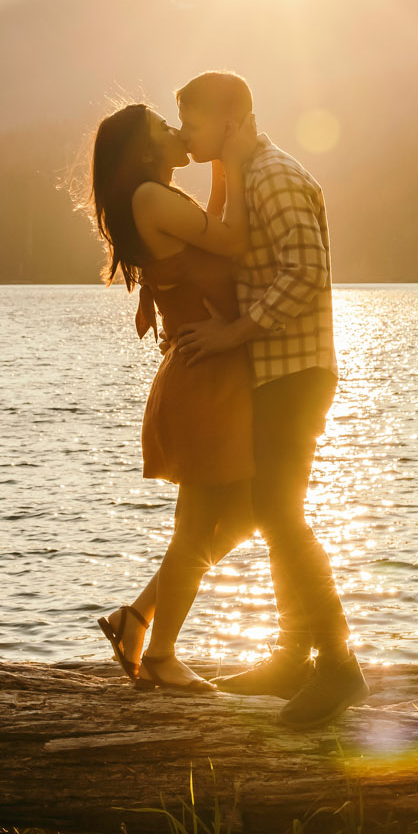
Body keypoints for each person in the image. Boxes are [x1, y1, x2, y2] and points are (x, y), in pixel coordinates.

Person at [171, 71, 367, 729]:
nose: (184, 135)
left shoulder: (274, 175)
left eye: (193, 123)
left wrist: (235, 332)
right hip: (275, 371)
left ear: (230, 121)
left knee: (280, 512)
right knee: (270, 506)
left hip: (296, 370)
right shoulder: (245, 177)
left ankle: (339, 667)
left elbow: (306, 273)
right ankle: (292, 659)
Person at [88, 102, 260, 692]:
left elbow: (209, 233)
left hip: (208, 373)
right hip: (204, 379)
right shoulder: (149, 198)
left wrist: (217, 167)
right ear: (143, 151)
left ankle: (135, 619)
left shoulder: (156, 198)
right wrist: (234, 155)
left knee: (250, 511)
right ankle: (160, 656)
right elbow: (235, 240)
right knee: (198, 526)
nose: (177, 130)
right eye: (164, 127)